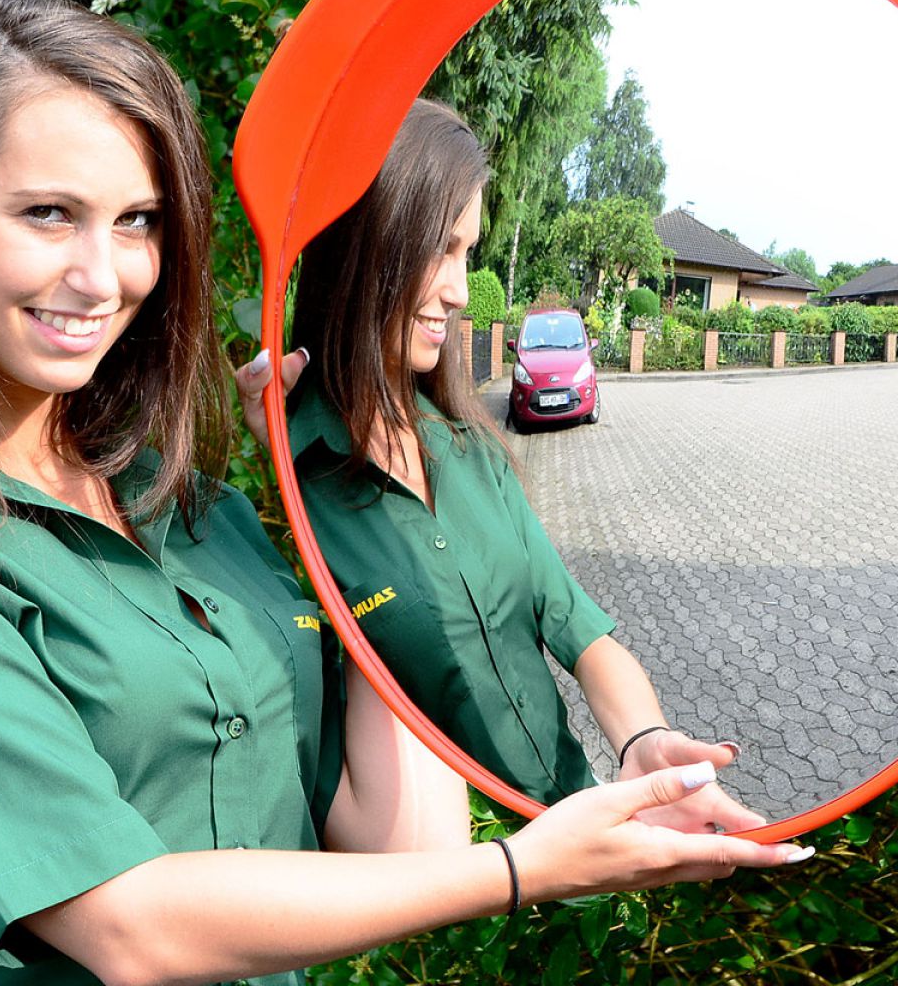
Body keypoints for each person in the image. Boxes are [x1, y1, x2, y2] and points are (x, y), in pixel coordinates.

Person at [0, 0, 810, 986]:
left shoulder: (200, 512)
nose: (103, 276)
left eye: (137, 222)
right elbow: (126, 927)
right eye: (48, 214)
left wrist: (308, 525)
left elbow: (403, 846)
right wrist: (526, 868)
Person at [276, 98, 761, 824]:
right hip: (450, 889)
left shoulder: (472, 451)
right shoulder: (282, 489)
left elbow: (575, 626)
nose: (460, 292)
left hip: (580, 826)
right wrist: (271, 464)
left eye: (467, 253)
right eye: (440, 248)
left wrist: (642, 740)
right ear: (364, 242)